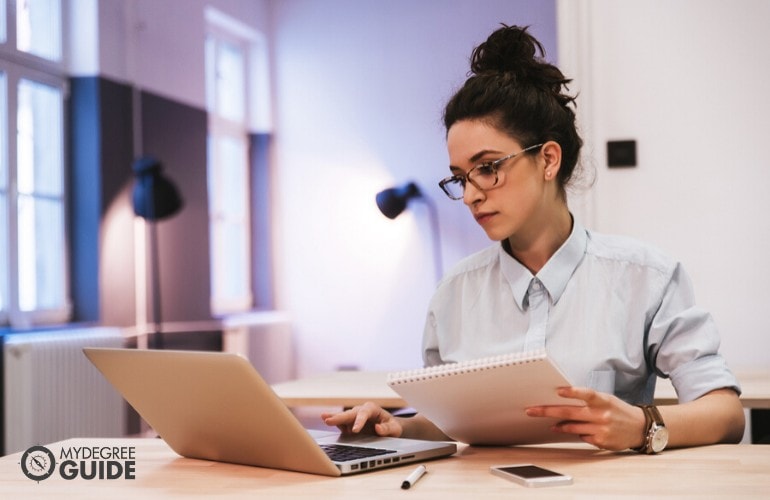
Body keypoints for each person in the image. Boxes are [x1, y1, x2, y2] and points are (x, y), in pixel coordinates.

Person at [322, 24, 744, 452]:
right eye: (458, 178)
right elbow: (451, 424)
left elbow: (725, 415)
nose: (470, 195)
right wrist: (397, 427)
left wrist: (640, 426)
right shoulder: (454, 294)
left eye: (487, 167)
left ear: (548, 159)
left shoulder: (645, 277)